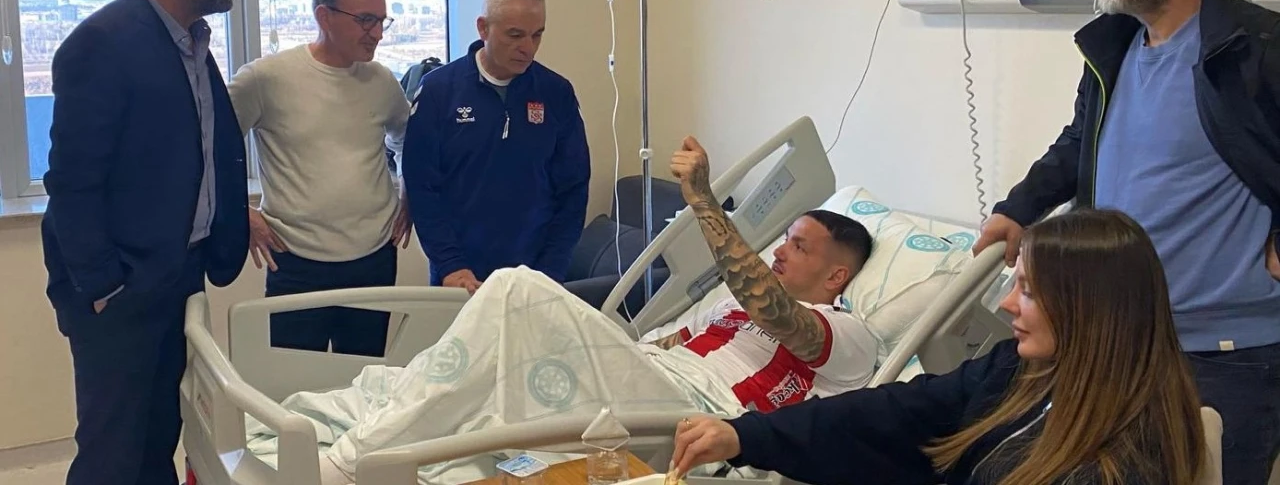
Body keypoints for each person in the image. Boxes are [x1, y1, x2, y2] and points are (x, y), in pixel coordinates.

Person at [246, 137, 878, 485]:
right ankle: (390, 422)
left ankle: (349, 463)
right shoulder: (725, 304)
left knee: (517, 287)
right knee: (500, 343)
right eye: (783, 239)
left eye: (798, 246)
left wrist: (705, 202)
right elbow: (664, 343)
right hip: (649, 379)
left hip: (698, 415)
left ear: (837, 275)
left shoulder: (847, 334)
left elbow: (777, 316)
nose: (779, 252)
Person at [971, 0, 1280, 485]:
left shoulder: (1256, 51)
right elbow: (1079, 141)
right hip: (1114, 334)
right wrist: (1018, 208)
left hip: (1224, 351)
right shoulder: (1115, 47)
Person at [671, 208, 1207, 485]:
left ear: (1087, 307)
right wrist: (746, 435)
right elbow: (897, 412)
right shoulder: (1021, 373)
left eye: (1027, 291)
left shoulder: (1119, 463)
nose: (1005, 305)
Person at [41, 0, 250, 485]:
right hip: (122, 287)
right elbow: (73, 182)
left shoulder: (192, 44)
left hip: (179, 275)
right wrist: (105, 285)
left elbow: (195, 155)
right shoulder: (103, 42)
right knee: (113, 452)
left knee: (159, 439)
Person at [227, 0, 412, 356]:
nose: (377, 33)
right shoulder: (265, 78)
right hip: (296, 262)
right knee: (294, 384)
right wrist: (239, 211)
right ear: (324, 16)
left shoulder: (381, 81)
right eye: (365, 20)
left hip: (374, 260)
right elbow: (207, 150)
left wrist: (408, 194)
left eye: (382, 21)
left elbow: (407, 141)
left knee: (365, 382)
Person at [402, 0, 590, 292]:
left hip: (535, 274)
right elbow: (422, 186)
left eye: (537, 35)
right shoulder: (439, 91)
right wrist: (450, 264)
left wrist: (551, 269)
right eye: (515, 35)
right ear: (483, 28)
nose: (527, 48)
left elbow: (573, 189)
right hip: (460, 274)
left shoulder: (555, 93)